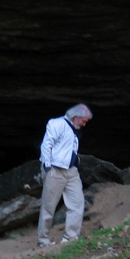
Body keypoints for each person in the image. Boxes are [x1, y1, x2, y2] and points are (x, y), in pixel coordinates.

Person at [37, 103, 93, 247]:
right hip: (55, 170)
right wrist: (47, 167)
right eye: (84, 121)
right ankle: (43, 241)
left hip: (71, 172)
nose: (85, 124)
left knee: (77, 203)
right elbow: (46, 145)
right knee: (48, 207)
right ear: (75, 117)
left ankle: (70, 238)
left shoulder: (75, 129)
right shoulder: (57, 124)